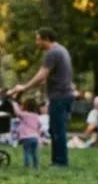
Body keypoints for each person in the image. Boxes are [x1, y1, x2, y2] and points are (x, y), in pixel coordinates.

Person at [10, 27, 74, 167]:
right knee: (57, 129)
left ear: (45, 39)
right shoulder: (62, 50)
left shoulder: (52, 53)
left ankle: (60, 162)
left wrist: (24, 87)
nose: (36, 42)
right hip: (66, 95)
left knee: (57, 130)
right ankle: (59, 160)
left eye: (38, 39)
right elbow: (49, 76)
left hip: (59, 96)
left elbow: (41, 75)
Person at [12, 97, 41, 169]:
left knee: (26, 152)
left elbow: (17, 112)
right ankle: (36, 166)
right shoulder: (36, 115)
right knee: (34, 153)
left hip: (27, 138)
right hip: (35, 138)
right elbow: (39, 126)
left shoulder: (25, 115)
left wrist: (14, 103)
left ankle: (27, 166)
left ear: (25, 106)